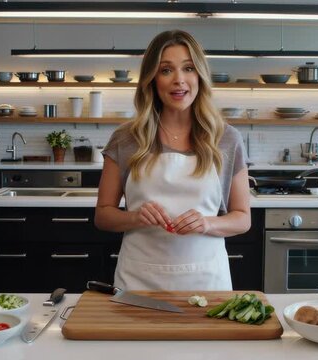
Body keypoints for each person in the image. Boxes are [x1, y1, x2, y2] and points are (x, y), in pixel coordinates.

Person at [95, 30, 251, 291]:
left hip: (207, 282)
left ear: (200, 75)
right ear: (152, 79)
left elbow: (242, 218)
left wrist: (207, 223)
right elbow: (103, 215)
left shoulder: (227, 139)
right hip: (139, 282)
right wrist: (134, 218)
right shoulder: (125, 139)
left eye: (188, 68)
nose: (179, 80)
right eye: (166, 70)